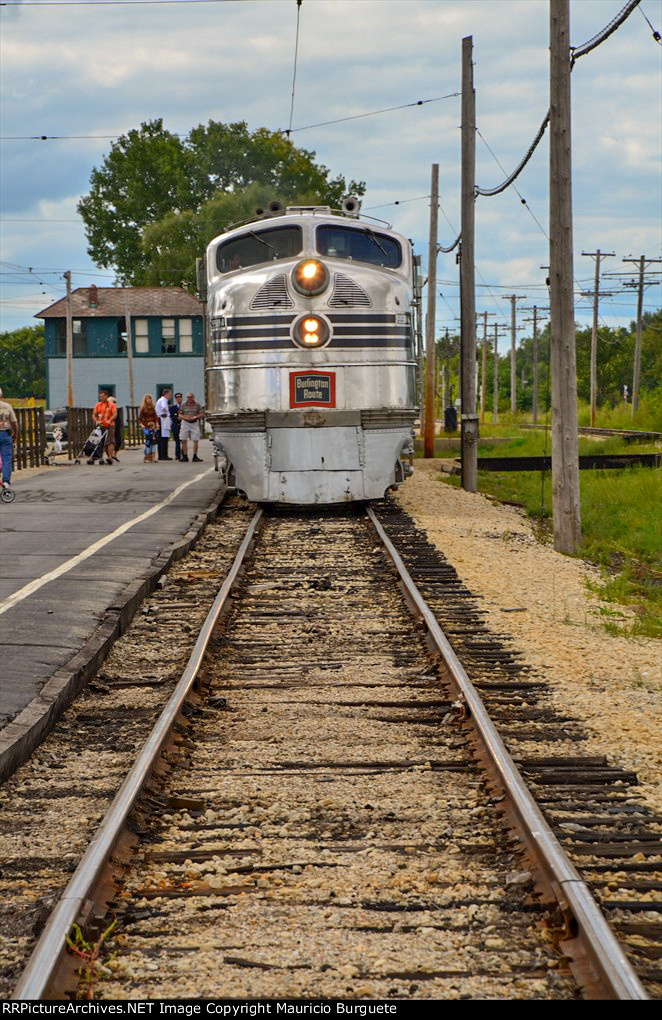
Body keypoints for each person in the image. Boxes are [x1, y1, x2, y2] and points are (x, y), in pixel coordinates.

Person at [93, 389, 118, 465]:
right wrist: (96, 420)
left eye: (103, 396)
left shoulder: (112, 405)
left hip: (109, 425)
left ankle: (110, 457)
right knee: (102, 441)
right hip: (100, 425)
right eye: (100, 397)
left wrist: (110, 420)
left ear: (106, 396)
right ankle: (103, 456)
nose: (101, 398)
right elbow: (94, 414)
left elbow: (115, 414)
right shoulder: (98, 405)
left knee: (109, 441)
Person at [0, 387, 18, 491]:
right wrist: (15, 433)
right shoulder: (7, 406)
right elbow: (14, 423)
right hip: (5, 434)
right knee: (6, 459)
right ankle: (6, 482)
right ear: (1, 396)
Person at [179, 392, 205, 462]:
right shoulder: (183, 405)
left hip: (194, 422)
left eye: (191, 397)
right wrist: (185, 417)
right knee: (183, 439)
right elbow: (180, 415)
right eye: (188, 397)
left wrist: (195, 417)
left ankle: (195, 455)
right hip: (185, 422)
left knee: (195, 440)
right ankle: (185, 456)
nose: (189, 399)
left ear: (193, 398)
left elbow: (202, 414)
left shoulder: (197, 405)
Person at [138, 394, 158, 463]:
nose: (149, 400)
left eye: (150, 399)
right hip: (146, 426)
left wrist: (157, 424)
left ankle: (153, 457)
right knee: (148, 441)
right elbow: (139, 419)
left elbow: (156, 417)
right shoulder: (143, 408)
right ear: (145, 400)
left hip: (153, 426)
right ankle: (146, 456)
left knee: (154, 441)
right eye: (147, 399)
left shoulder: (153, 408)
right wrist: (141, 425)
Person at [155, 388, 173, 460]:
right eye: (169, 395)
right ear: (166, 394)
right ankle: (164, 455)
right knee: (164, 438)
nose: (170, 396)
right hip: (163, 419)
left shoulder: (160, 400)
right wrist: (166, 411)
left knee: (161, 438)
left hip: (161, 419)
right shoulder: (164, 400)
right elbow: (164, 407)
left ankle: (161, 455)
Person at [109, 396, 123, 462]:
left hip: (117, 427)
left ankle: (114, 454)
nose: (115, 404)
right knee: (111, 442)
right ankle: (110, 455)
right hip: (110, 427)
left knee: (118, 441)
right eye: (113, 402)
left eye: (115, 402)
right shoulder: (109, 410)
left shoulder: (116, 410)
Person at [170, 391, 183, 461]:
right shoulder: (173, 408)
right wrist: (178, 418)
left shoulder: (184, 406)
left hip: (183, 426)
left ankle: (184, 454)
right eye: (177, 398)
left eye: (180, 397)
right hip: (176, 426)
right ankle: (178, 455)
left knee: (183, 441)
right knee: (177, 442)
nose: (179, 399)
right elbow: (172, 417)